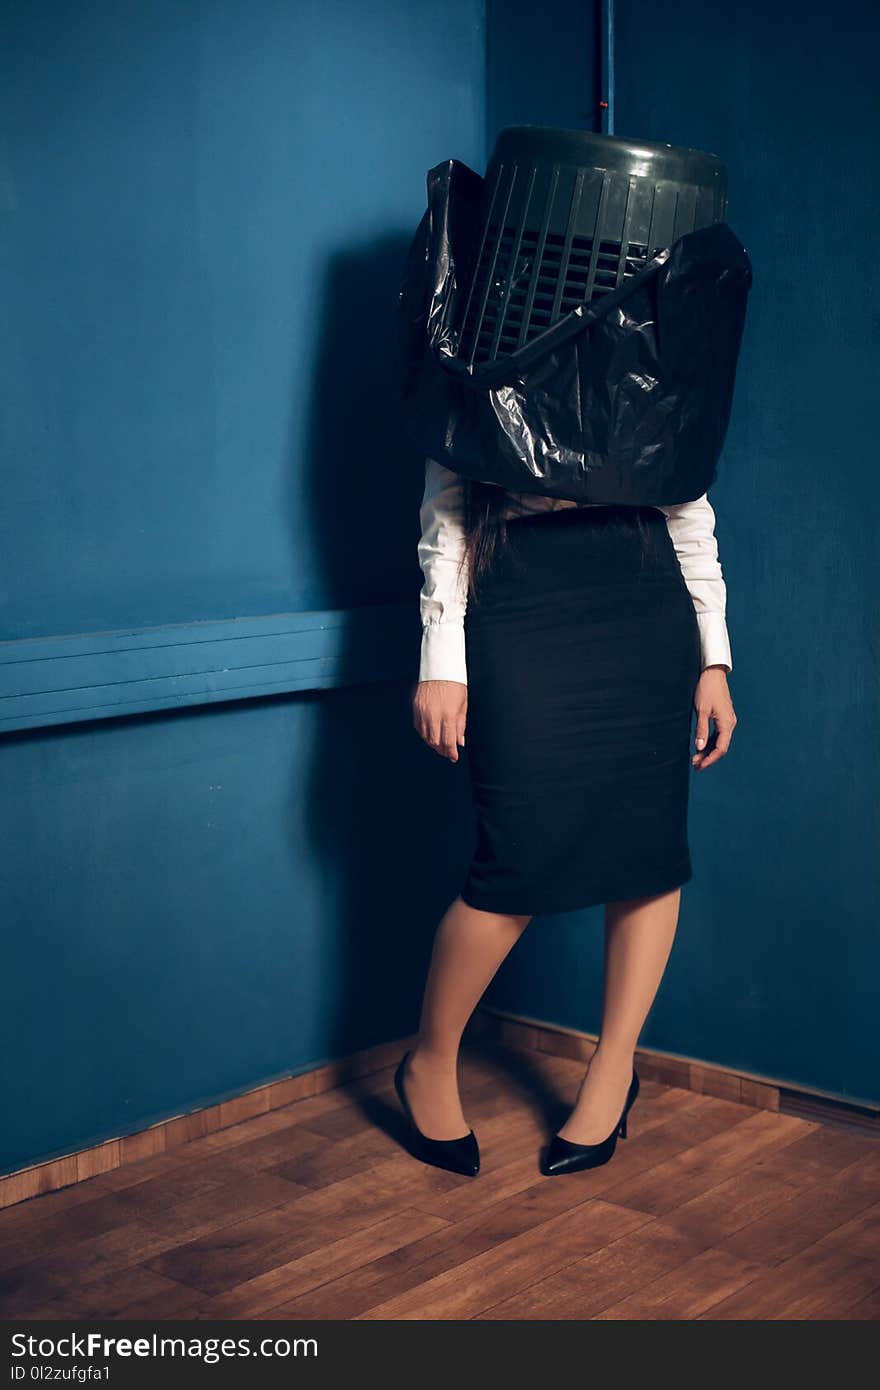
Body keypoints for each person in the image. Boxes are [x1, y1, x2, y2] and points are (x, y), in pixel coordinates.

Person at [396, 457, 738, 1179]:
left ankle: (614, 1070)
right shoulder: (472, 336)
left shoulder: (654, 336)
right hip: (514, 579)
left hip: (642, 582)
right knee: (514, 862)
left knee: (648, 851)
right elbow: (448, 498)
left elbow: (687, 501)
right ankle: (430, 1060)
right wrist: (442, 657)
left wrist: (714, 657)